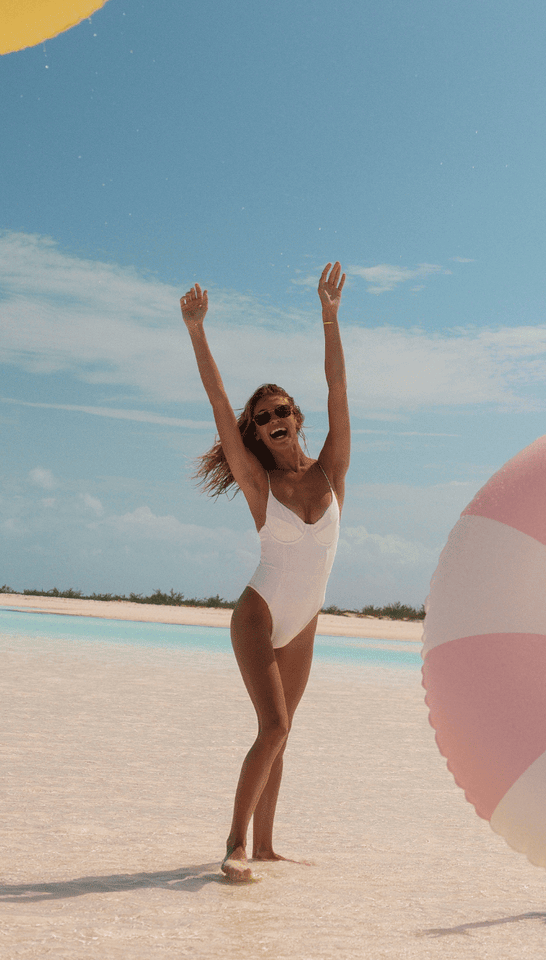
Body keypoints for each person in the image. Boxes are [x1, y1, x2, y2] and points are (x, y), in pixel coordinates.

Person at [180, 263, 350, 882]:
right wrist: (198, 330)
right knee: (272, 725)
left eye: (282, 409)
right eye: (262, 418)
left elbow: (339, 387)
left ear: (297, 417)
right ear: (255, 433)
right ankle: (233, 845)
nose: (272, 418)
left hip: (303, 621)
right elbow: (218, 404)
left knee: (285, 733)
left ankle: (268, 846)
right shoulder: (260, 482)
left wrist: (329, 318)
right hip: (259, 613)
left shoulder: (331, 468)